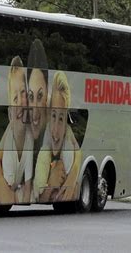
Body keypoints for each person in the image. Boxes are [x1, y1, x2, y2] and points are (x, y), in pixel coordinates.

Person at [0, 56, 33, 204]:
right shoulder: (10, 133)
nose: (20, 102)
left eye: (23, 94)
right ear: (9, 113)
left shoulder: (31, 133)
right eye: (15, 99)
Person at [33, 71, 82, 202]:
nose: (55, 130)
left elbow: (78, 151)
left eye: (61, 119)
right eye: (53, 115)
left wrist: (72, 176)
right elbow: (39, 200)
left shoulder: (68, 146)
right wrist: (50, 184)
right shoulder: (45, 139)